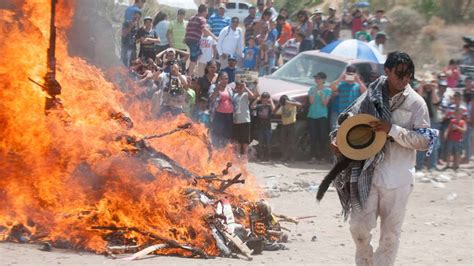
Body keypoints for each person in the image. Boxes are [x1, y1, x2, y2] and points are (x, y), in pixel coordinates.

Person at [330, 51, 436, 266]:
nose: (405, 80)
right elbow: (353, 118)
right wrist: (340, 139)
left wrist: (393, 130)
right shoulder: (371, 94)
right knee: (358, 228)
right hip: (368, 174)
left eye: (409, 76)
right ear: (387, 71)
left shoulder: (416, 103)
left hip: (398, 179)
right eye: (400, 75)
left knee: (390, 235)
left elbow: (425, 141)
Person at [415, 73, 441, 171]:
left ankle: (432, 166)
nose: (429, 85)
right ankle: (419, 166)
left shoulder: (435, 92)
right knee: (421, 144)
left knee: (433, 144)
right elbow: (418, 99)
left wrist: (434, 89)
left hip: (433, 120)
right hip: (422, 121)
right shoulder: (420, 91)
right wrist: (422, 86)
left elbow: (436, 102)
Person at [329, 65, 367, 130]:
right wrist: (340, 78)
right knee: (336, 133)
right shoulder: (341, 84)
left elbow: (365, 92)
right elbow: (331, 87)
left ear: (355, 74)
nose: (350, 76)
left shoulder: (357, 86)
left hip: (352, 114)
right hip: (340, 113)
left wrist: (358, 80)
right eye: (348, 74)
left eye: (352, 74)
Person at [185, 5, 217, 75]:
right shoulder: (202, 19)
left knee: (199, 54)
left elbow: (187, 28)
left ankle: (192, 70)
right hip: (194, 40)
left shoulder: (192, 18)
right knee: (193, 60)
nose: (207, 14)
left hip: (188, 39)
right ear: (204, 11)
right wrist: (215, 37)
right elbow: (205, 29)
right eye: (206, 12)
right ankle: (189, 75)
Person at [308, 72, 332, 163]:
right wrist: (314, 93)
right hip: (312, 115)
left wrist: (322, 95)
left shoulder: (328, 90)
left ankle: (322, 157)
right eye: (316, 78)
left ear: (323, 80)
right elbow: (311, 102)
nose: (316, 80)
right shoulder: (311, 89)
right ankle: (312, 156)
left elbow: (325, 104)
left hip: (322, 115)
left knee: (322, 136)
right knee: (313, 136)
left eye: (318, 78)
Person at [209, 71, 234, 148]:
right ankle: (216, 153)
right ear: (219, 79)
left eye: (226, 79)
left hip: (229, 115)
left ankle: (224, 154)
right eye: (222, 78)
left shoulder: (229, 88)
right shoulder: (213, 86)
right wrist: (217, 89)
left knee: (227, 135)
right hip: (218, 115)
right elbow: (211, 99)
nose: (224, 80)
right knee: (217, 135)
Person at [232, 79, 255, 159]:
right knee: (237, 140)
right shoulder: (234, 95)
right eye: (238, 87)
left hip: (245, 120)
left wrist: (245, 87)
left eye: (241, 87)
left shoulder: (245, 95)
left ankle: (244, 156)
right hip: (236, 120)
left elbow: (253, 96)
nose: (239, 89)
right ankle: (238, 155)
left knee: (245, 141)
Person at [276, 95, 302, 161]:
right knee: (284, 141)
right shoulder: (283, 106)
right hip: (284, 125)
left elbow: (300, 105)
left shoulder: (292, 105)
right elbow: (277, 113)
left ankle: (292, 157)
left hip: (291, 124)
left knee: (292, 141)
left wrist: (289, 102)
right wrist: (279, 105)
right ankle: (284, 156)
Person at [251, 92, 275, 161]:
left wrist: (271, 101)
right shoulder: (259, 106)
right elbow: (252, 107)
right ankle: (261, 156)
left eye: (266, 100)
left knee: (268, 143)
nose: (264, 101)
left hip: (268, 128)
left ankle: (268, 157)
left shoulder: (269, 106)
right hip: (260, 128)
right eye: (263, 100)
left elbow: (274, 109)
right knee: (260, 143)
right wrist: (257, 100)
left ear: (268, 99)